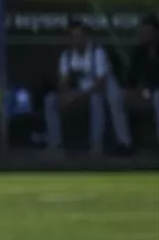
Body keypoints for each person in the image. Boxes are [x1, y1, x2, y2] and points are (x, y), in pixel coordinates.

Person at [44, 20, 132, 155]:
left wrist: (77, 96)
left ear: (86, 37)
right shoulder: (66, 56)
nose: (77, 40)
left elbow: (101, 84)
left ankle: (96, 146)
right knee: (50, 100)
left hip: (96, 91)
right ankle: (55, 145)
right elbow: (63, 81)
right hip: (77, 93)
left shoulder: (97, 52)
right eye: (73, 37)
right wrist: (65, 94)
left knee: (97, 101)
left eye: (79, 36)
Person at [125, 14, 159, 148]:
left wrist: (146, 88)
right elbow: (131, 78)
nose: (144, 35)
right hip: (140, 94)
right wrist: (132, 90)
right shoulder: (138, 52)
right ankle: (124, 143)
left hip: (155, 92)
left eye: (148, 32)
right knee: (116, 97)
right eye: (143, 31)